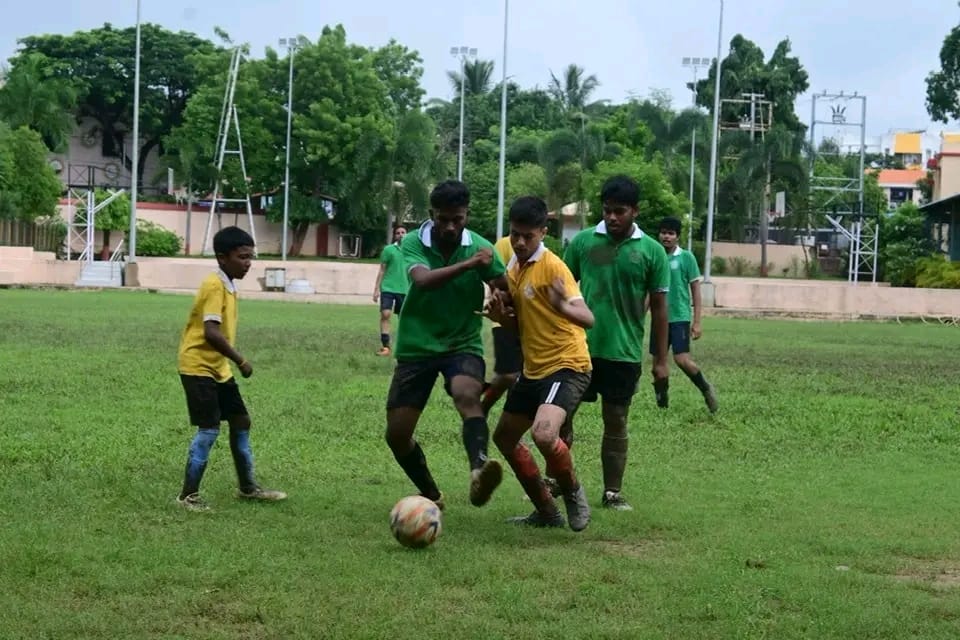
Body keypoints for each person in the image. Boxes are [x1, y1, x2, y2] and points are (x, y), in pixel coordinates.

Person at [385, 180, 507, 511]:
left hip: (462, 342)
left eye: (458, 218)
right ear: (431, 214)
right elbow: (423, 281)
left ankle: (479, 468)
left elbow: (503, 284)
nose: (451, 226)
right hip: (417, 344)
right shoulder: (412, 242)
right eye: (443, 219)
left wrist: (499, 296)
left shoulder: (481, 247)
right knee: (397, 435)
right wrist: (470, 265)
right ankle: (431, 494)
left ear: (467, 214)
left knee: (468, 394)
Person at [561, 175, 671, 512]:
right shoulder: (582, 243)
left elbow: (661, 309)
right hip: (578, 348)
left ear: (634, 211)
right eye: (607, 210)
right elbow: (563, 290)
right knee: (561, 416)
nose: (611, 217)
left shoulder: (652, 252)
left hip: (622, 351)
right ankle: (558, 483)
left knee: (616, 420)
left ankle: (612, 492)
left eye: (619, 211)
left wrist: (661, 360)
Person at [488, 196, 594, 531]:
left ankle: (573, 491)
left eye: (527, 236)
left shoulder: (553, 267)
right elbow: (520, 324)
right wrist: (500, 318)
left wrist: (563, 307)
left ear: (543, 233)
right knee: (504, 438)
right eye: (515, 234)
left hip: (567, 364)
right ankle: (546, 513)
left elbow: (587, 317)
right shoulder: (514, 268)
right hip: (533, 369)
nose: (519, 242)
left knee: (545, 435)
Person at [176, 226, 287, 511]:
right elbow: (211, 332)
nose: (248, 263)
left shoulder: (228, 282)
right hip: (197, 365)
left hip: (218, 368)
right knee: (209, 429)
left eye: (251, 257)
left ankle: (248, 488)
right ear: (222, 257)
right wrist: (241, 360)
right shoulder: (214, 285)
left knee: (241, 421)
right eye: (242, 257)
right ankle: (187, 496)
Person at [652, 216, 718, 413]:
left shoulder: (686, 257)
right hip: (658, 319)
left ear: (677, 237)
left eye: (671, 233)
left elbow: (696, 291)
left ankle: (706, 388)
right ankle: (662, 406)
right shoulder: (655, 256)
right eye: (663, 232)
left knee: (682, 360)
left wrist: (697, 322)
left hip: (679, 317)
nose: (666, 236)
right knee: (657, 368)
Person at [480, 235, 522, 416]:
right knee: (508, 375)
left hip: (530, 323)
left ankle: (511, 425)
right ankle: (483, 408)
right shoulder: (504, 244)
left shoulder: (542, 251)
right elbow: (494, 279)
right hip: (504, 319)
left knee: (521, 377)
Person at [373, 225, 409, 356]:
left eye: (403, 232)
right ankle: (386, 346)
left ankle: (405, 345)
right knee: (385, 314)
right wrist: (376, 289)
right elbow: (382, 270)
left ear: (407, 234)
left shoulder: (411, 250)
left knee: (404, 318)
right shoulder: (388, 250)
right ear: (395, 235)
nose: (401, 235)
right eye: (398, 233)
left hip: (405, 289)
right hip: (388, 287)